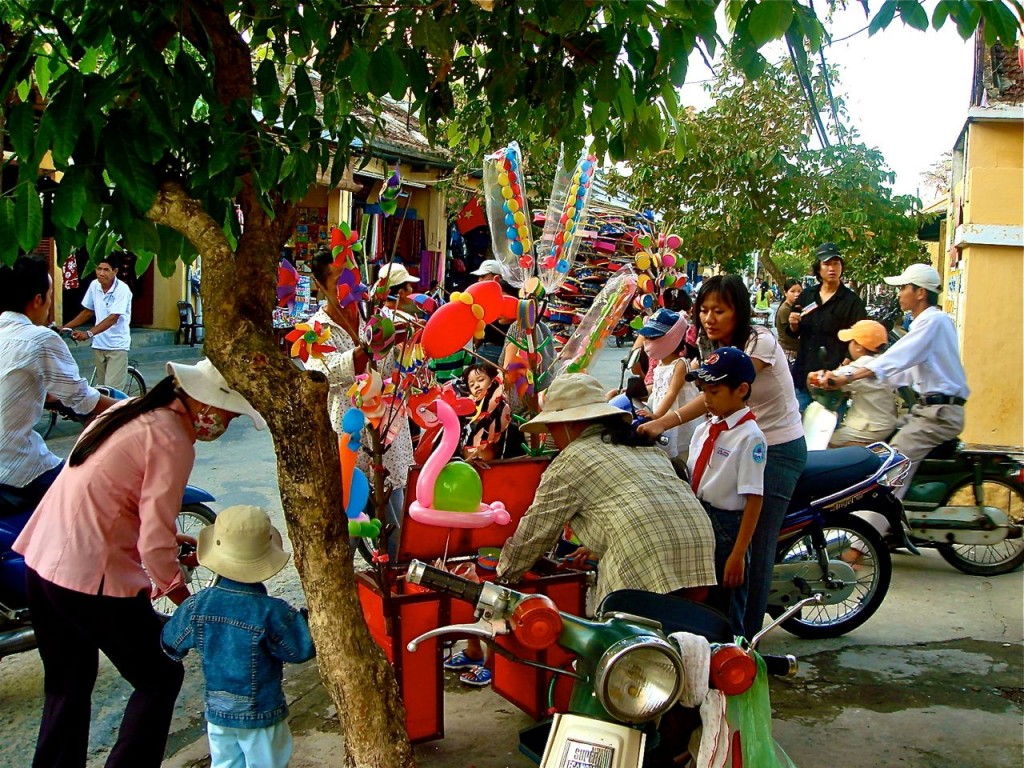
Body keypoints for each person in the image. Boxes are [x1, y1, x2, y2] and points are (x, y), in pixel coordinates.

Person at [13, 358, 265, 768]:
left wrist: (167, 539)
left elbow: (113, 501)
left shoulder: (125, 410)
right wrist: (187, 601)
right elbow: (152, 544)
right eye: (229, 415)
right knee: (160, 676)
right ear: (205, 405)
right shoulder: (172, 439)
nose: (227, 424)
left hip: (43, 562)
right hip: (89, 577)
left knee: (67, 686)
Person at [639, 274, 806, 639]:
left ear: (739, 311)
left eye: (720, 310)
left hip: (775, 446)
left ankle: (746, 644)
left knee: (755, 549)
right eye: (704, 310)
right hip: (734, 437)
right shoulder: (711, 342)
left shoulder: (759, 341)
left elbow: (711, 393)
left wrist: (663, 422)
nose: (709, 318)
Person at [497, 373, 717, 604]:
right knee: (687, 634)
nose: (553, 436)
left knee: (630, 634)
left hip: (644, 555)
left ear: (570, 423)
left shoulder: (570, 460)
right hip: (699, 545)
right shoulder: (643, 446)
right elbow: (641, 504)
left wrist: (502, 577)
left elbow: (534, 533)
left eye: (553, 428)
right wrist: (597, 547)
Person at [162, 505, 315, 768]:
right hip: (262, 713)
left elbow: (170, 643)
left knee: (225, 764)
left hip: (219, 714)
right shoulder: (272, 612)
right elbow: (302, 649)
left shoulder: (197, 606)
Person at [817, 264, 969, 495]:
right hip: (928, 411)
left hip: (938, 415)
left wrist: (847, 377)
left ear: (920, 292)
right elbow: (897, 373)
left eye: (904, 288)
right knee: (883, 449)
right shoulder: (928, 323)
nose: (899, 294)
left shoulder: (932, 322)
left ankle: (882, 525)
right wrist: (848, 376)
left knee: (893, 462)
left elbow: (893, 360)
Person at [306, 250, 414, 557]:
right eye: (340, 279)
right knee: (348, 520)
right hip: (348, 431)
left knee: (394, 516)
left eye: (353, 276)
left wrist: (404, 340)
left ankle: (397, 579)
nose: (350, 285)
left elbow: (391, 366)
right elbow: (325, 373)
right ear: (320, 285)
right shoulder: (317, 328)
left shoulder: (374, 316)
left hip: (386, 431)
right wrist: (364, 349)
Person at [0, 256, 116, 508]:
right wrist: (133, 407)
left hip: (107, 343)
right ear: (38, 299)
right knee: (93, 495)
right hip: (15, 466)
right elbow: (82, 398)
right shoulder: (39, 339)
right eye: (51, 295)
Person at [685, 347, 766, 635]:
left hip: (728, 527)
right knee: (702, 604)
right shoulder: (705, 429)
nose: (706, 398)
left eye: (714, 391)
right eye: (703, 390)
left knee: (728, 610)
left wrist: (738, 552)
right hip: (700, 517)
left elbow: (754, 498)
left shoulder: (750, 438)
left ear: (741, 390)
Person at [786, 243, 866, 411]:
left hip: (832, 381)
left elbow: (859, 340)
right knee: (800, 427)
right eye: (827, 264)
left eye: (836, 263)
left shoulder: (852, 302)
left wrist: (841, 371)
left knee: (826, 431)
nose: (832, 268)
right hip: (804, 375)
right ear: (818, 268)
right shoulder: (807, 296)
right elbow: (794, 332)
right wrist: (793, 324)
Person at [634, 308, 698, 473]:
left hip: (676, 420)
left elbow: (671, 393)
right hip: (663, 416)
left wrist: (656, 417)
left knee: (682, 458)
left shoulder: (680, 364)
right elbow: (657, 390)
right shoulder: (661, 363)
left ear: (672, 339)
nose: (647, 342)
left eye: (653, 338)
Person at [818, 319, 898, 447]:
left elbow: (832, 378)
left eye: (852, 341)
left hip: (870, 426)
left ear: (859, 347)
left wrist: (819, 376)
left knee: (829, 441)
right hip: (884, 422)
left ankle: (874, 453)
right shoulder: (882, 361)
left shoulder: (862, 364)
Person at [61, 254, 134, 389]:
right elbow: (88, 311)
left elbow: (113, 318)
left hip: (116, 346)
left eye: (106, 270)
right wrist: (65, 327)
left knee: (112, 392)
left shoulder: (122, 290)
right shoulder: (95, 285)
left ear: (115, 271)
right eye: (99, 269)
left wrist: (88, 333)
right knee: (101, 390)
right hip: (99, 344)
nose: (101, 273)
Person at [461, 361, 511, 461]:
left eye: (480, 380)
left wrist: (499, 375)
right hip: (471, 455)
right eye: (471, 384)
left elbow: (498, 383)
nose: (476, 386)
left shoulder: (496, 398)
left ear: (492, 380)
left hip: (494, 451)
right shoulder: (470, 407)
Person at [774, 278, 802, 363]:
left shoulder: (797, 307)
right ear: (785, 293)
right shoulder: (785, 309)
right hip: (788, 351)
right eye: (792, 291)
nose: (796, 294)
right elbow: (788, 334)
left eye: (799, 291)